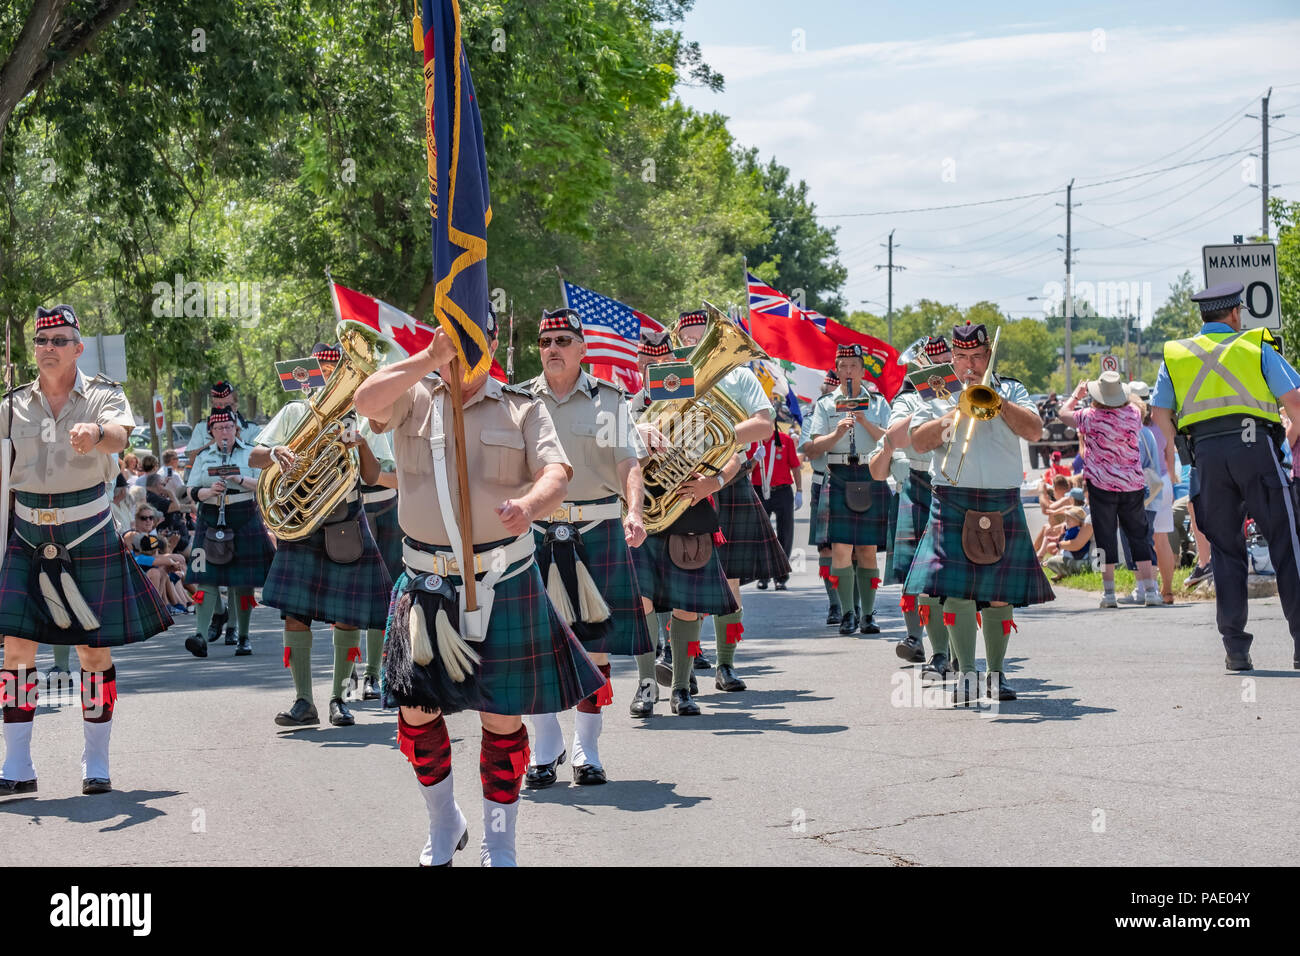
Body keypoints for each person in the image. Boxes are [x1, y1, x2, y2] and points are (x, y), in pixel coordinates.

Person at [355, 325, 605, 866]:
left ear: (492, 345)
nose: (467, 349)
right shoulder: (413, 397)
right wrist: (428, 357)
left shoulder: (522, 407)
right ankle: (444, 821)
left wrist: (530, 506)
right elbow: (365, 400)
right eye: (456, 336)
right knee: (418, 715)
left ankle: (500, 841)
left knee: (502, 718)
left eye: (476, 339)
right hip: (424, 583)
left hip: (503, 579)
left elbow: (557, 472)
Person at [0, 304, 172, 797]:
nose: (48, 347)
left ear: (78, 347)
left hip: (87, 534)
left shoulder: (102, 394)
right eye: (41, 340)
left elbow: (121, 435)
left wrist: (97, 435)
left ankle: (95, 762)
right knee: (16, 651)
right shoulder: (12, 405)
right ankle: (16, 767)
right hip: (28, 535)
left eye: (59, 340)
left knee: (92, 654)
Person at [523, 308, 653, 784]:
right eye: (545, 341)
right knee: (533, 645)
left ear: (582, 348)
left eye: (562, 340)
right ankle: (545, 745)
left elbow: (627, 464)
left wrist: (634, 511)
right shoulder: (519, 400)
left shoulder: (609, 400)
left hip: (596, 531)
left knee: (595, 647)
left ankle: (587, 750)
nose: (552, 349)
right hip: (534, 534)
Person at [1150, 282, 1300, 671]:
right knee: (1286, 545)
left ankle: (1236, 650)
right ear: (1235, 314)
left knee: (1225, 552)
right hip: (1256, 448)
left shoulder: (1177, 355)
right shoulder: (1254, 346)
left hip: (1207, 457)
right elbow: (1295, 402)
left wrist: (1175, 460)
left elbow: (1159, 414)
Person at [907, 321, 1054, 704]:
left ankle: (996, 673)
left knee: (1000, 594)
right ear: (951, 359)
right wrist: (948, 417)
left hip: (1000, 500)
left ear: (989, 355)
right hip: (953, 497)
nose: (970, 365)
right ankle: (967, 675)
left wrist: (998, 402)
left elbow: (1036, 431)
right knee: (957, 593)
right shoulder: (936, 393)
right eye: (962, 357)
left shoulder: (1011, 389)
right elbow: (917, 444)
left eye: (977, 356)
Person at [252, 343, 392, 727]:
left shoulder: (360, 418)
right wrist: (276, 452)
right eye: (327, 373)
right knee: (295, 616)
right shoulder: (296, 412)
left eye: (339, 374)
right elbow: (254, 456)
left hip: (345, 520)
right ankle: (303, 701)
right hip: (303, 524)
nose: (332, 381)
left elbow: (373, 476)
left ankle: (338, 699)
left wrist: (360, 442)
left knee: (347, 617)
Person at [673, 309, 789, 691]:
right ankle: (684, 671)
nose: (692, 342)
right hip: (678, 481)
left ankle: (726, 664)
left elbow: (763, 424)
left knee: (731, 579)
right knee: (686, 579)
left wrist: (715, 438)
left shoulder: (740, 375)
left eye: (699, 336)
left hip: (730, 477)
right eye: (686, 336)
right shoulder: (670, 374)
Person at [629, 329, 743, 715]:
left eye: (661, 363)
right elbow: (610, 459)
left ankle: (681, 688)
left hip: (690, 513)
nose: (654, 370)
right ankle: (646, 684)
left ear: (674, 364)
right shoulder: (626, 408)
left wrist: (715, 481)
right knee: (641, 600)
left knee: (688, 607)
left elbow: (733, 452)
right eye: (647, 364)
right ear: (638, 366)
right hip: (643, 514)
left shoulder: (699, 402)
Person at [872, 335, 954, 678]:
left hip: (952, 484)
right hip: (917, 482)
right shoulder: (907, 399)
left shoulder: (965, 394)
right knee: (912, 574)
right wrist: (928, 397)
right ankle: (916, 638)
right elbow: (895, 434)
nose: (939, 371)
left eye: (945, 365)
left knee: (947, 575)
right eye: (931, 366)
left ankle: (945, 650)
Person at [804, 343, 893, 636]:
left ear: (863, 370)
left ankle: (867, 614)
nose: (848, 371)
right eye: (842, 366)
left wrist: (865, 421)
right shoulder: (825, 405)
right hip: (838, 473)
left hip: (870, 472)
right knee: (840, 548)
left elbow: (892, 440)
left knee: (867, 550)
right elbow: (812, 446)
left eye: (853, 365)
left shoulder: (878, 403)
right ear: (837, 370)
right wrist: (837, 432)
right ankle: (846, 614)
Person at [1058, 371, 1159, 608]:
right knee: (1139, 535)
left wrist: (1076, 395)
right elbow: (1138, 403)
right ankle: (1151, 590)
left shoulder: (1089, 417)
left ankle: (1109, 593)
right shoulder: (1134, 414)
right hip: (1132, 484)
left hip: (1101, 485)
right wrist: (1124, 393)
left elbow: (1062, 414)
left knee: (1105, 538)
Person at [183, 408, 276, 658]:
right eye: (219, 428)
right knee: (205, 576)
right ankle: (200, 635)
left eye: (229, 427)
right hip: (210, 517)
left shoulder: (251, 453)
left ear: (236, 429)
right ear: (211, 431)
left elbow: (264, 484)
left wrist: (238, 478)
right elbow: (190, 489)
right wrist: (207, 492)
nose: (224, 432)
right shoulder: (204, 456)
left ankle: (243, 637)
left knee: (243, 581)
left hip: (244, 515)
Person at [802, 369, 856, 624]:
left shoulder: (861, 407)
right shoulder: (813, 415)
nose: (826, 390)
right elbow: (809, 451)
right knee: (826, 549)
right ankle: (835, 604)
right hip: (822, 481)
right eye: (826, 387)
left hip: (853, 481)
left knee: (853, 547)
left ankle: (854, 604)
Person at [750, 420, 802, 591]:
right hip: (759, 491)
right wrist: (754, 459)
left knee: (785, 534)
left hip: (782, 491)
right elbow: (747, 469)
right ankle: (762, 576)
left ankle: (781, 576)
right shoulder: (753, 441)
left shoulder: (785, 440)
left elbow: (795, 466)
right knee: (761, 536)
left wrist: (800, 490)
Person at [186, 381, 261, 456]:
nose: (223, 409)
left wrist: (239, 441)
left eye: (227, 405)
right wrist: (214, 442)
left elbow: (259, 460)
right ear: (212, 406)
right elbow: (192, 460)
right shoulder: (201, 427)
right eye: (218, 405)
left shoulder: (253, 429)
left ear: (236, 405)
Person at [1042, 507, 1094, 581]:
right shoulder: (1077, 529)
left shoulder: (1074, 530)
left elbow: (1066, 541)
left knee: (1055, 558)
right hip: (1077, 554)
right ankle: (1060, 574)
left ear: (1078, 521)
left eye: (1069, 520)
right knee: (1059, 554)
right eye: (1066, 519)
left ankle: (1046, 564)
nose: (1066, 521)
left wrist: (1058, 543)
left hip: (1077, 555)